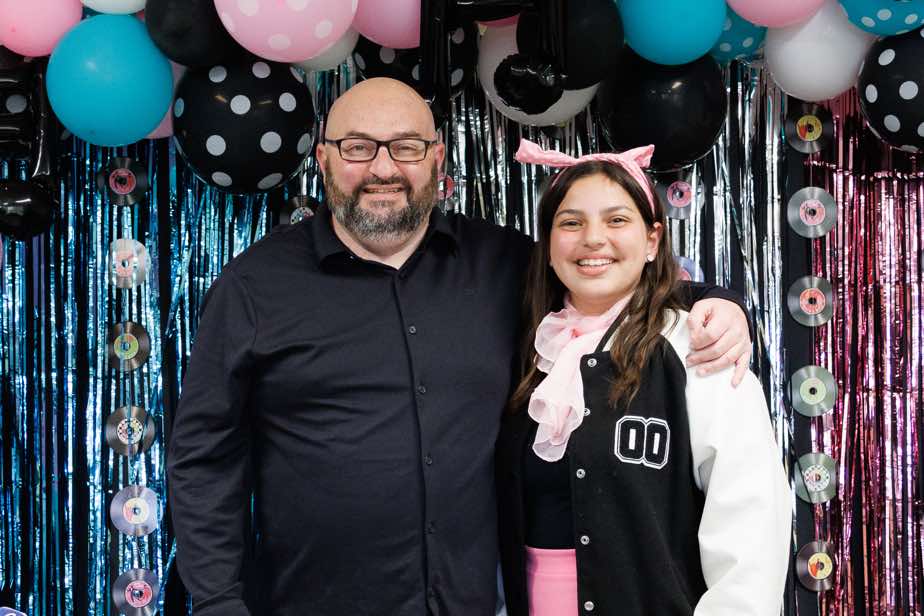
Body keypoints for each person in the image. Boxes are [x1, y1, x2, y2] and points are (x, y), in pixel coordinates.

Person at [167, 77, 755, 616]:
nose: (383, 168)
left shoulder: (503, 264)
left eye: (406, 147)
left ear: (437, 158)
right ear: (323, 160)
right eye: (357, 148)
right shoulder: (254, 287)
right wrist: (217, 602)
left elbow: (602, 274)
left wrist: (717, 300)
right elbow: (204, 457)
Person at [496, 140, 791, 616]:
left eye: (617, 220)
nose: (593, 239)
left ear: (652, 240)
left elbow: (750, 534)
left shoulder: (700, 346)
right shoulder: (527, 351)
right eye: (571, 222)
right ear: (548, 244)